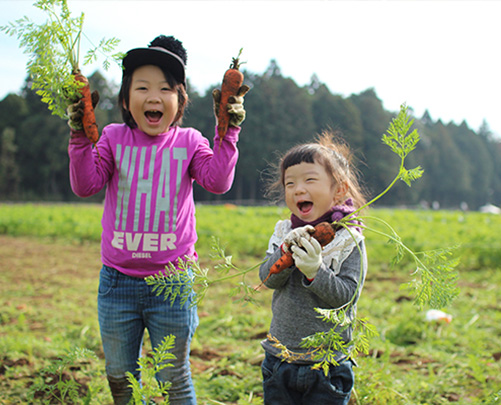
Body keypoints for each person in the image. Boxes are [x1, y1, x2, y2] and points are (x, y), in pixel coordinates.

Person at [67, 35, 249, 404]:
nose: (154, 97)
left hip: (174, 283)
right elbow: (85, 184)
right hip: (118, 285)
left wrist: (227, 131)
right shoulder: (113, 139)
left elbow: (217, 181)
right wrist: (79, 135)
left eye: (166, 89)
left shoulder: (190, 142)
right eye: (143, 87)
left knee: (172, 379)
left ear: (180, 101)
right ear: (125, 99)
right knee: (121, 378)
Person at [259, 132, 368, 404]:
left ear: (339, 190)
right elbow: (267, 279)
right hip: (280, 357)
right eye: (290, 183)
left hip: (327, 364)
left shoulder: (348, 239)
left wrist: (315, 271)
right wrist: (285, 253)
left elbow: (346, 295)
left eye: (309, 180)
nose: (298, 189)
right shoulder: (285, 231)